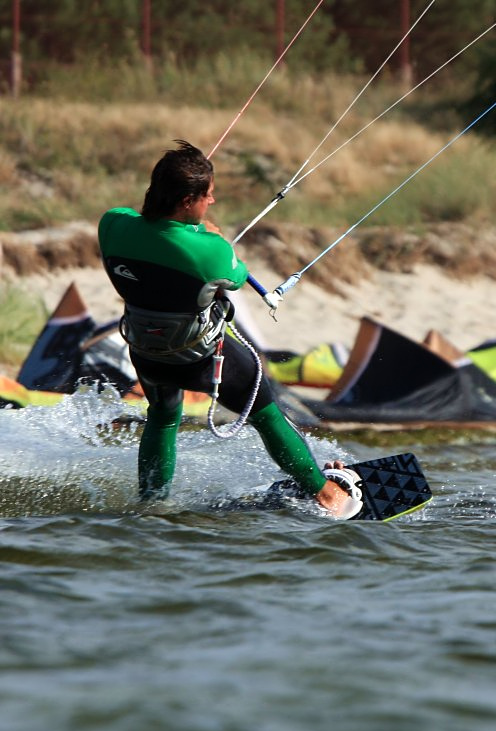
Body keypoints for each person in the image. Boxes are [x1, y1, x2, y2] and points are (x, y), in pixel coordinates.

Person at [98, 140, 359, 517]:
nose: (212, 203)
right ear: (188, 200)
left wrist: (190, 228)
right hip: (202, 358)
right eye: (208, 196)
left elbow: (139, 220)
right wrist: (208, 236)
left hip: (147, 353)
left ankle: (152, 504)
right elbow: (233, 277)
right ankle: (325, 494)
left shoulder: (112, 224)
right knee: (267, 413)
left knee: (162, 416)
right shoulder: (211, 251)